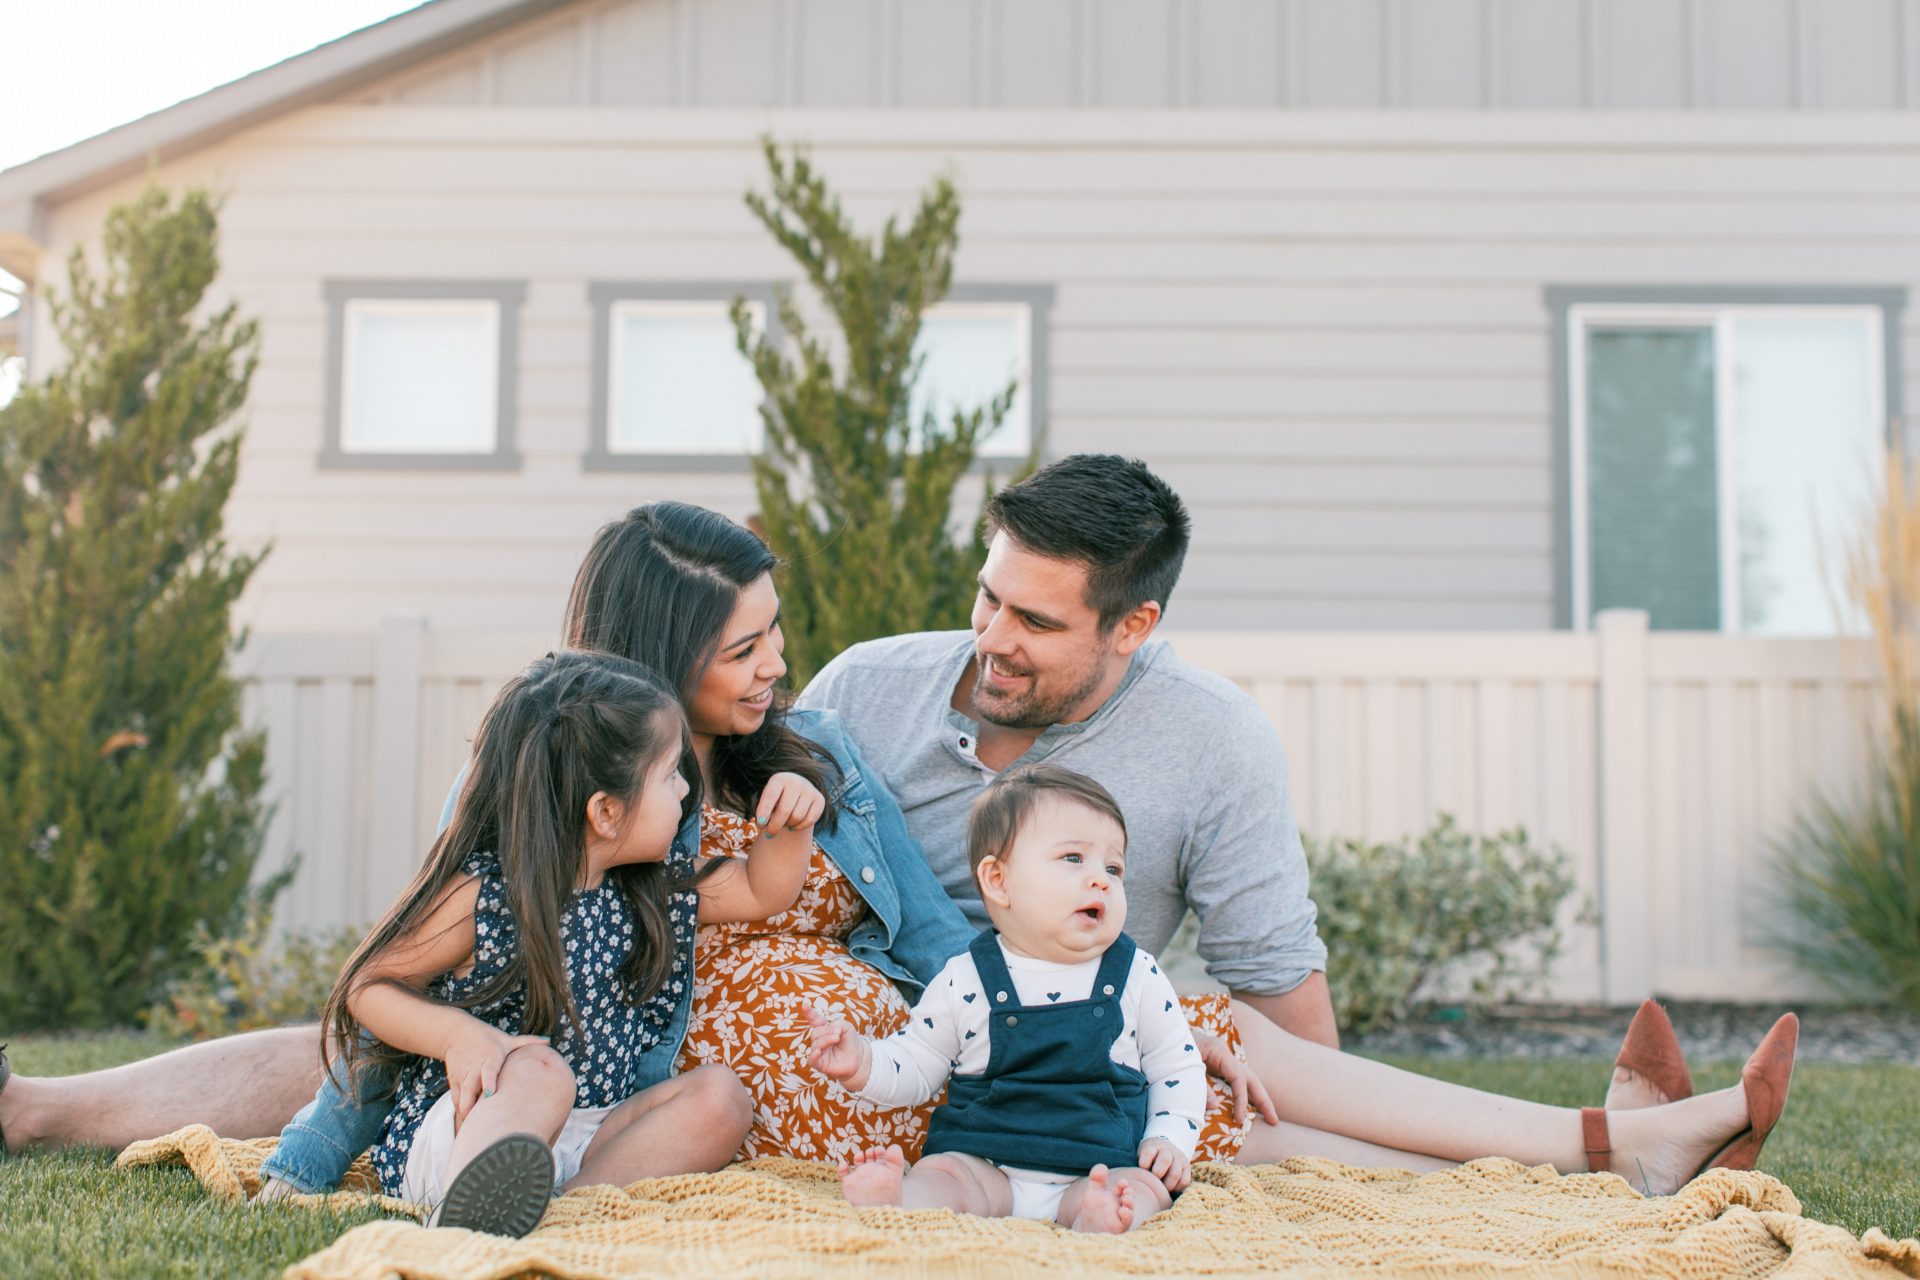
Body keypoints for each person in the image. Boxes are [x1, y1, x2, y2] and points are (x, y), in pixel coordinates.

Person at [321, 648, 816, 1231]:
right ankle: (464, 1215)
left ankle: (561, 1211)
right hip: (475, 1124)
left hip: (589, 1131)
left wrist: (793, 821)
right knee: (542, 1070)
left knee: (721, 1098)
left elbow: (762, 891)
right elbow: (370, 986)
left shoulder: (651, 890)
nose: (687, 791)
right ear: (606, 811)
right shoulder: (487, 894)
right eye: (669, 776)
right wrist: (458, 1037)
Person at [806, 765, 1202, 1234]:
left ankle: (1100, 1217)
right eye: (1074, 858)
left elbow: (1177, 1067)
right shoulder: (967, 976)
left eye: (1113, 868)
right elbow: (918, 1060)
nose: (1101, 880)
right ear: (998, 881)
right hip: (985, 1160)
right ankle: (903, 1197)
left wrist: (1169, 1136)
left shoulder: (1137, 974)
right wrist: (863, 1062)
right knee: (944, 1174)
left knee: (1142, 1188)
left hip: (1097, 1164)